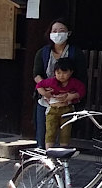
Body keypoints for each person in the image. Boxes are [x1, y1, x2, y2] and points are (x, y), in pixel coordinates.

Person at [33, 18, 87, 148]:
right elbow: (36, 74)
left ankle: (63, 164)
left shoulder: (75, 53)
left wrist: (71, 96)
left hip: (67, 102)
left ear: (68, 33)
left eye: (62, 30)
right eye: (54, 30)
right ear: (49, 33)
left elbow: (82, 79)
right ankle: (43, 163)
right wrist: (45, 91)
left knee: (65, 135)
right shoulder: (43, 52)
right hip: (46, 101)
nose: (57, 34)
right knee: (43, 135)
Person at [35, 58, 86, 147]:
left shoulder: (74, 83)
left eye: (64, 73)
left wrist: (72, 96)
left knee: (65, 132)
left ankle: (63, 152)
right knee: (50, 131)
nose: (61, 76)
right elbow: (39, 85)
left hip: (67, 109)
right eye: (58, 73)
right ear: (54, 73)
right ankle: (49, 152)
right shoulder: (51, 81)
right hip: (53, 110)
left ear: (71, 72)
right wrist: (45, 94)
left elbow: (82, 91)